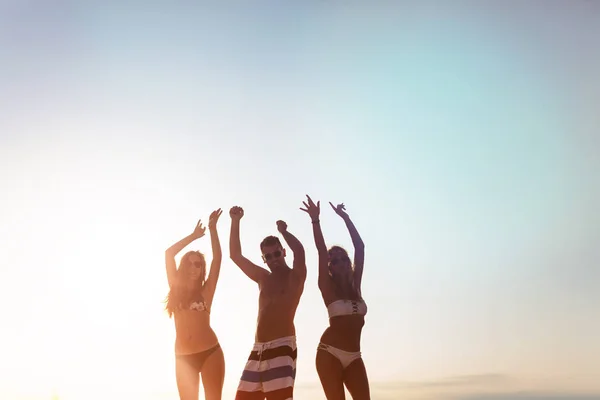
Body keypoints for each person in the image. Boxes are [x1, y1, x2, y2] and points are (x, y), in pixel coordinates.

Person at [229, 205, 307, 400]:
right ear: (264, 259)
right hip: (258, 349)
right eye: (268, 256)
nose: (274, 259)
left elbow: (300, 250)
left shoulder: (295, 276)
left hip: (282, 345)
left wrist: (284, 232)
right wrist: (235, 222)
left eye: (277, 254)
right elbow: (235, 256)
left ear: (283, 252)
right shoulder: (263, 278)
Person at [300, 195, 370, 400]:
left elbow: (360, 248)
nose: (340, 262)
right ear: (330, 267)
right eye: (335, 261)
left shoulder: (355, 284)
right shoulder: (327, 286)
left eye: (343, 258)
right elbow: (321, 251)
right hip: (329, 353)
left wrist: (345, 218)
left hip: (354, 356)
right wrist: (315, 220)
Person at [164, 209, 225, 400]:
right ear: (183, 266)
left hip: (210, 353)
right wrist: (193, 236)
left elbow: (217, 259)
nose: (193, 268)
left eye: (197, 264)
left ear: (201, 269)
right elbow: (169, 254)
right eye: (189, 263)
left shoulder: (207, 291)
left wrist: (213, 229)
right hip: (183, 358)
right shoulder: (175, 286)